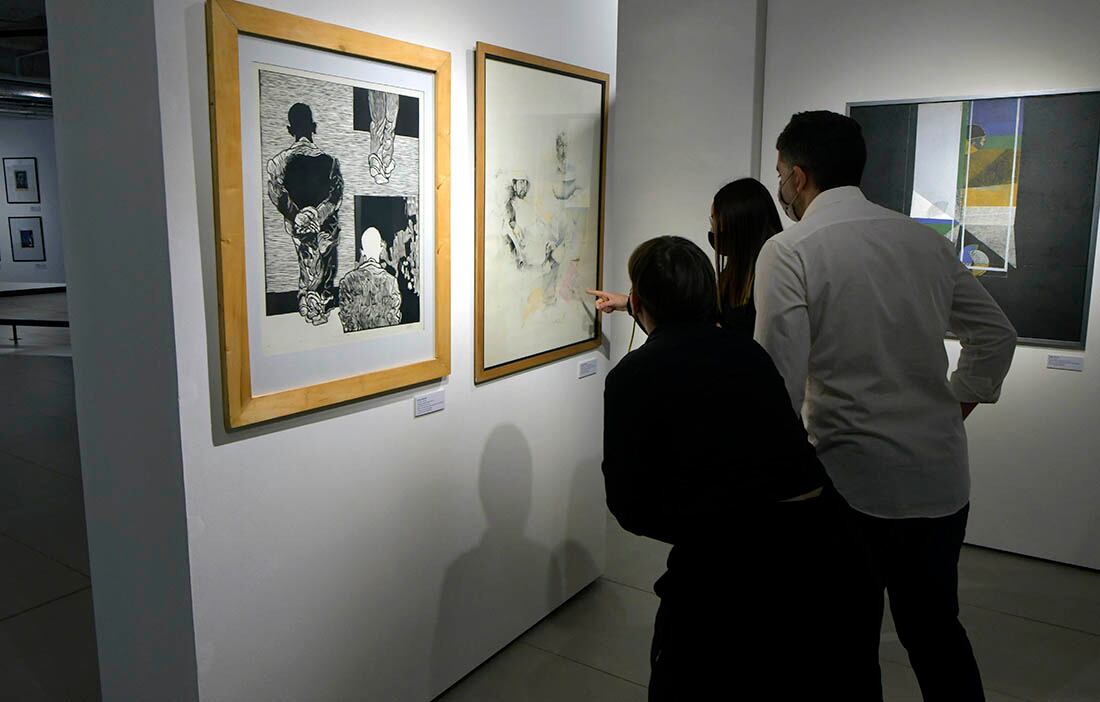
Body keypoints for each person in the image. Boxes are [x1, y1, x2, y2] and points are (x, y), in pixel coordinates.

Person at [755, 110, 1018, 701]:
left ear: (798, 177)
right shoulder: (922, 241)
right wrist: (952, 411)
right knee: (936, 635)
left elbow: (780, 380)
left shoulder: (788, 249)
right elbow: (997, 335)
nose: (779, 186)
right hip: (938, 479)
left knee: (846, 647)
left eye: (778, 173)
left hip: (849, 485)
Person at [602, 235, 862, 700]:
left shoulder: (633, 376)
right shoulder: (747, 354)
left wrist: (708, 521)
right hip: (804, 563)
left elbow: (629, 506)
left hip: (713, 580)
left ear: (637, 302)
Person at [588, 177, 781, 339]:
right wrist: (628, 303)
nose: (712, 228)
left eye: (714, 220)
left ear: (734, 228)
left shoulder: (764, 284)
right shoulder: (736, 278)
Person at [266, 102, 345, 326]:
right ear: (314, 126)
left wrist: (299, 215)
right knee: (325, 265)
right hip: (325, 227)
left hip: (298, 228)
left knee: (306, 263)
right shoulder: (330, 162)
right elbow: (335, 196)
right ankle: (321, 306)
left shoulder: (278, 162)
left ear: (290, 129)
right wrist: (318, 215)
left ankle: (307, 304)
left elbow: (277, 194)